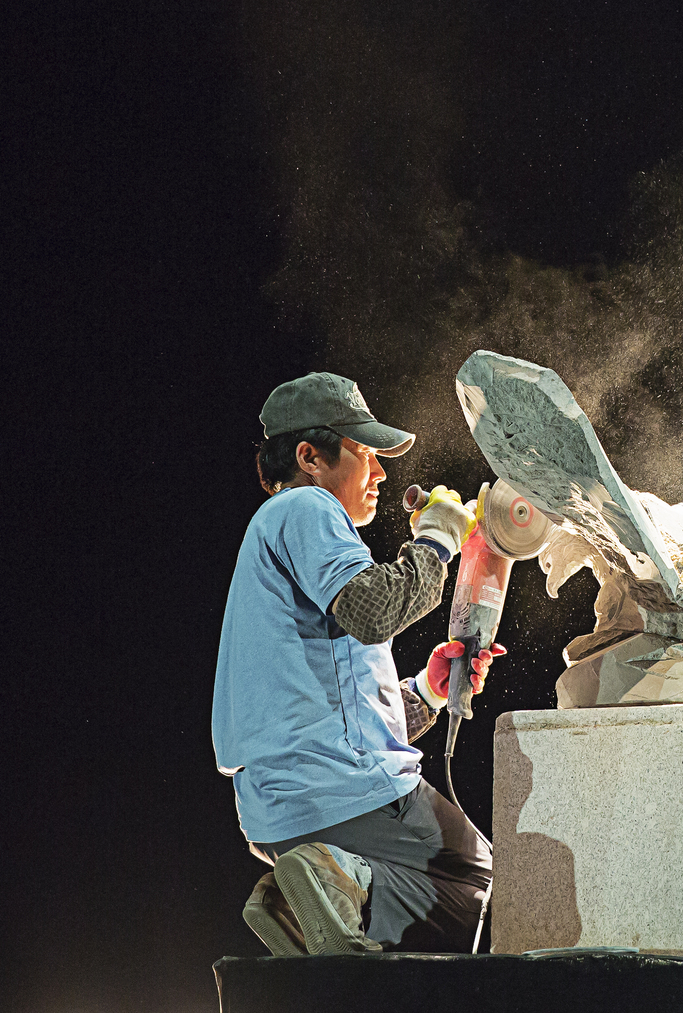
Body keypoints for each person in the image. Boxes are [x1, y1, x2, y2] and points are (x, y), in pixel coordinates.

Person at [212, 371, 500, 955]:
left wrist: (427, 692)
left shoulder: (275, 538)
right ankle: (347, 880)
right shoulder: (305, 506)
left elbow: (338, 709)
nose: (381, 473)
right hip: (338, 791)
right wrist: (437, 541)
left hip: (282, 811)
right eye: (365, 453)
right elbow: (374, 610)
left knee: (445, 915)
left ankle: (314, 898)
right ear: (309, 457)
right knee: (489, 883)